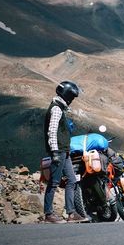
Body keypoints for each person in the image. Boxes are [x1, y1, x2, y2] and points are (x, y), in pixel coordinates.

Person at [43, 81, 88, 223]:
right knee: (54, 182)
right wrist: (55, 151)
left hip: (65, 151)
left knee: (72, 180)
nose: (72, 100)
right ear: (67, 95)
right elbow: (52, 131)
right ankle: (48, 214)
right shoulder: (56, 109)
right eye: (72, 97)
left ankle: (71, 213)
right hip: (59, 151)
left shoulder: (61, 108)